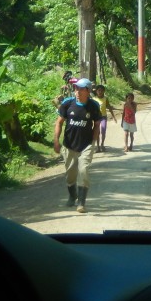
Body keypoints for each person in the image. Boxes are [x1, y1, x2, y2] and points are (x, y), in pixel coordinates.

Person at [53, 78, 102, 212]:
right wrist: (56, 140)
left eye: (80, 89)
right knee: (70, 175)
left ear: (88, 91)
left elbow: (97, 124)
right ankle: (72, 195)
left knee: (83, 171)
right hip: (69, 145)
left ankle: (81, 203)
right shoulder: (67, 103)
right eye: (76, 89)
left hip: (86, 145)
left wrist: (93, 140)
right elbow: (59, 122)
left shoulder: (93, 106)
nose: (77, 91)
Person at [92, 83, 117, 152]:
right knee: (97, 132)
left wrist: (114, 117)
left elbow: (109, 108)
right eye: (98, 90)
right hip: (96, 118)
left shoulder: (105, 99)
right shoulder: (93, 99)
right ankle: (98, 147)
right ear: (96, 91)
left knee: (103, 130)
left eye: (101, 90)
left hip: (103, 117)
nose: (100, 92)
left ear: (104, 91)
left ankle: (102, 144)